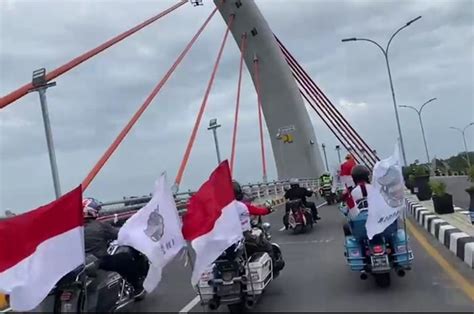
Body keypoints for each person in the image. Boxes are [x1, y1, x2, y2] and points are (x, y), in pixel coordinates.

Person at [83, 198, 148, 297]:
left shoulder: (73, 229)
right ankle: (137, 288)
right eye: (96, 210)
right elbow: (120, 234)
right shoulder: (99, 226)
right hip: (100, 261)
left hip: (80, 264)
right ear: (90, 211)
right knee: (125, 258)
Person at [232, 181, 285, 273]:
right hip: (244, 237)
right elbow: (260, 211)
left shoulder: (218, 209)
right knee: (267, 246)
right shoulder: (242, 206)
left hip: (226, 240)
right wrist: (269, 209)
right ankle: (274, 267)